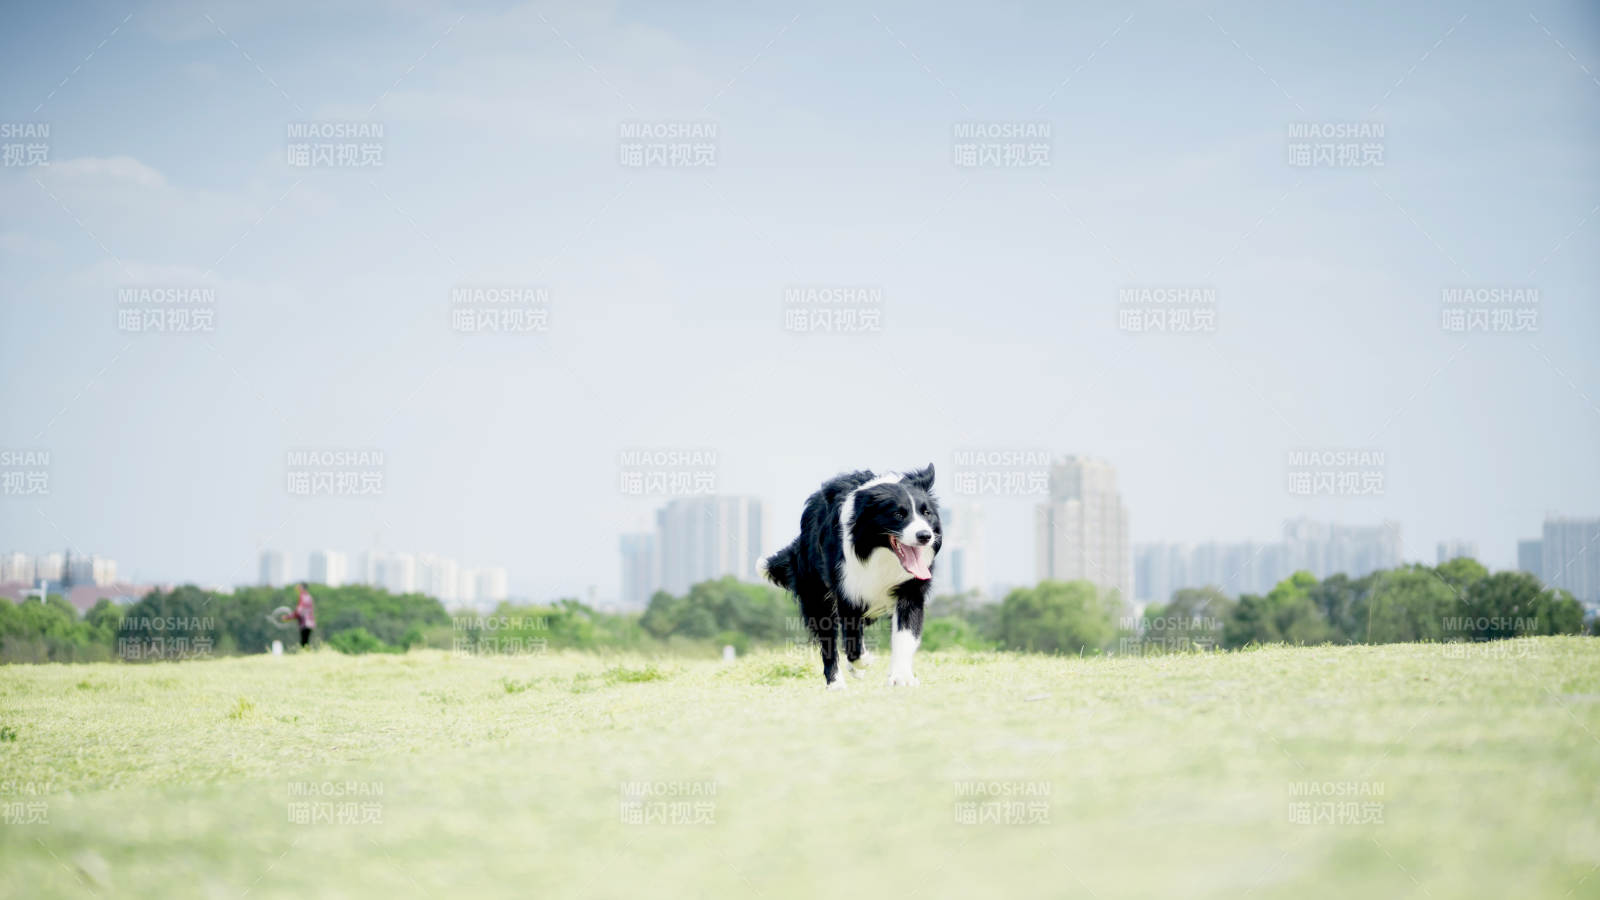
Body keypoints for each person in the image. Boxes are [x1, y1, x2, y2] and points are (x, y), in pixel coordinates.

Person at [294, 583, 316, 648]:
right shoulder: (309, 597)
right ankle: (306, 653)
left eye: (299, 587)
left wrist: (288, 617)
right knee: (306, 640)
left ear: (302, 588)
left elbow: (299, 610)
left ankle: (305, 653)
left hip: (304, 622)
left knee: (304, 641)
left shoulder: (302, 596)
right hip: (310, 622)